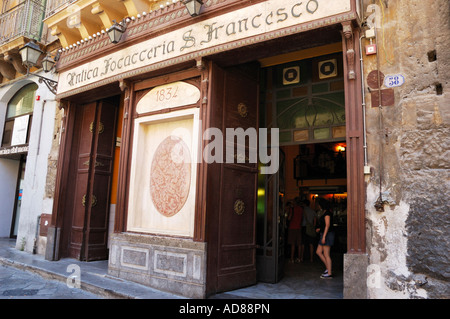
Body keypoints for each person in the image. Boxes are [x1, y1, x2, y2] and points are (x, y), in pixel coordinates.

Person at [316, 197, 335, 279]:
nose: (318, 206)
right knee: (318, 252)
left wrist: (324, 236)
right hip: (324, 234)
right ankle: (328, 268)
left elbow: (328, 225)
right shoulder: (325, 212)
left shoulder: (327, 213)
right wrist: (320, 229)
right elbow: (325, 225)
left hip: (327, 235)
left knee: (326, 254)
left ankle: (329, 273)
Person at [287, 197, 303, 263]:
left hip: (292, 227)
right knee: (299, 244)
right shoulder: (301, 209)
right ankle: (299, 258)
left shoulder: (292, 209)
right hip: (299, 227)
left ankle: (292, 259)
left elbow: (289, 218)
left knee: (292, 244)